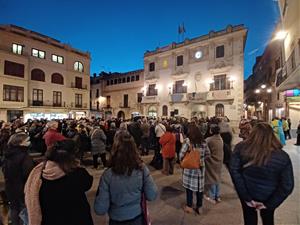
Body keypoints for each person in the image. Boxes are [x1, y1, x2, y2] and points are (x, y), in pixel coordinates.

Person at [230, 122, 294, 225]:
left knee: (249, 218)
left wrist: (246, 196)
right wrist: (271, 204)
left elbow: (234, 171)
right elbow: (287, 185)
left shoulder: (241, 148)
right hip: (269, 195)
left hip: (248, 191)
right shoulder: (282, 156)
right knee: (268, 219)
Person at [94, 131, 157, 225]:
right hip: (136, 217)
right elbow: (152, 195)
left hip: (116, 218)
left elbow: (100, 209)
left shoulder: (108, 175)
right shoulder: (142, 169)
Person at [25, 140, 94, 225]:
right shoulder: (77, 174)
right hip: (76, 218)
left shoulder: (39, 173)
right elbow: (88, 183)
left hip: (50, 219)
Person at [2, 132, 34, 225]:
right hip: (22, 186)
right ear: (20, 143)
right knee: (24, 209)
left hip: (10, 185)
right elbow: (28, 173)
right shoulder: (24, 156)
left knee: (14, 208)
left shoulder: (7, 154)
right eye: (27, 140)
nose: (29, 142)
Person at [180, 124, 210, 215]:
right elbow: (208, 154)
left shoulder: (188, 142)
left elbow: (181, 154)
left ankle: (189, 206)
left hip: (189, 169)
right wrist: (201, 159)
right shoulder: (203, 142)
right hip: (200, 169)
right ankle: (199, 207)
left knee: (189, 189)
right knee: (199, 189)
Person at [204, 125, 224, 204]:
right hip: (219, 160)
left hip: (211, 161)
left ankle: (212, 196)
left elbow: (205, 149)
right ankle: (217, 195)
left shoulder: (209, 140)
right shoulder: (220, 138)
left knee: (212, 178)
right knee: (217, 177)